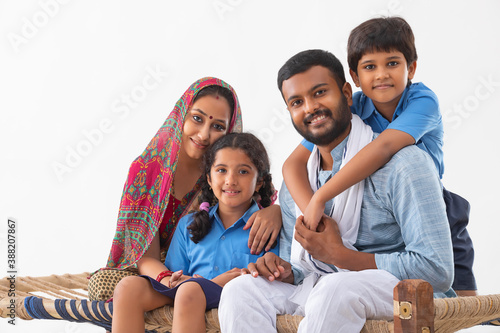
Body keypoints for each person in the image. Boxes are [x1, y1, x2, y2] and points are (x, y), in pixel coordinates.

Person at [218, 50, 454, 332]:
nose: (310, 107)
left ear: (346, 93)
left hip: (396, 289)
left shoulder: (405, 164)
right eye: (297, 102)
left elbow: (437, 270)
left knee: (336, 288)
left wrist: (341, 256)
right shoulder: (298, 184)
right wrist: (279, 268)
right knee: (240, 290)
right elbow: (301, 269)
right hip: (320, 287)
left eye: (319, 92)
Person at [281, 17, 476, 295]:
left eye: (392, 64)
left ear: (411, 68)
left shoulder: (423, 101)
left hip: (437, 204)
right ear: (355, 78)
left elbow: (384, 148)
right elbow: (292, 164)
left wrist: (322, 197)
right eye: (370, 67)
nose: (382, 74)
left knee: (461, 302)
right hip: (386, 206)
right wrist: (311, 210)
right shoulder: (354, 105)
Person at [88, 78, 282, 301]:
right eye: (197, 119)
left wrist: (275, 212)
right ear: (181, 115)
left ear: (229, 130)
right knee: (103, 286)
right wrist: (169, 280)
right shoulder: (147, 170)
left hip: (214, 272)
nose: (203, 134)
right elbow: (143, 255)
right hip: (153, 272)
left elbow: (261, 205)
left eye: (218, 126)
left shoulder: (225, 174)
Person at [111, 132, 279, 333]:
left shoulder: (268, 226)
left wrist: (203, 284)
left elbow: (269, 281)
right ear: (209, 178)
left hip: (232, 295)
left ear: (259, 181)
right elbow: (176, 278)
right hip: (188, 292)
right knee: (127, 287)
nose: (231, 180)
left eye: (243, 172)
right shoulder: (188, 225)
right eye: (221, 170)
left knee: (190, 291)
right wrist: (178, 278)